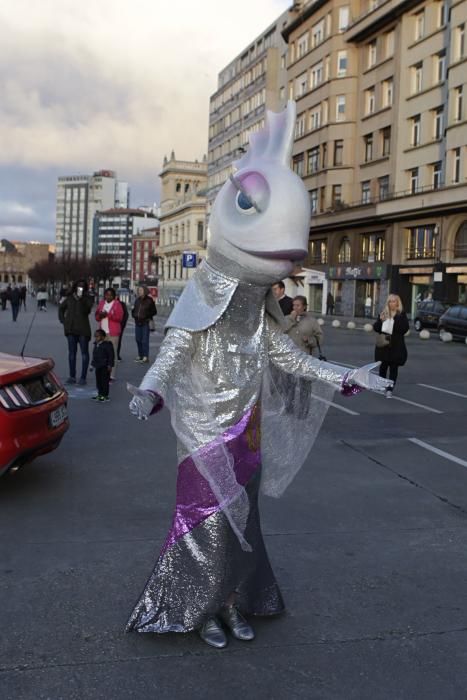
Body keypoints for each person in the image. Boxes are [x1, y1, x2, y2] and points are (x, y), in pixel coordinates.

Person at [125, 102, 392, 650]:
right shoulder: (200, 302)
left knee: (244, 526)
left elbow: (293, 359)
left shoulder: (254, 317)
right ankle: (199, 612)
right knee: (206, 526)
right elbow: (172, 352)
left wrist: (350, 377)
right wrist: (150, 389)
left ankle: (230, 604)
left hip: (246, 433)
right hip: (201, 435)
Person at [373, 293, 409, 398]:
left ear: (398, 303)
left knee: (393, 369)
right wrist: (381, 320)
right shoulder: (384, 313)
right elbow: (376, 328)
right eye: (390, 301)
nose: (391, 303)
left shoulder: (401, 314)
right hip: (384, 346)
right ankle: (382, 386)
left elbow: (404, 329)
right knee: (383, 368)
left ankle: (389, 389)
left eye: (394, 301)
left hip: (396, 346)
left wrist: (394, 320)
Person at [58, 279, 93, 385]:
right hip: (71, 329)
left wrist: (81, 299)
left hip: (83, 329)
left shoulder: (87, 298)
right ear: (75, 287)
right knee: (72, 353)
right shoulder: (69, 298)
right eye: (78, 286)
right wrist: (63, 321)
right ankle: (72, 376)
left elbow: (87, 310)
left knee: (84, 353)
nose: (80, 288)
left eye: (82, 287)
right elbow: (61, 308)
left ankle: (83, 377)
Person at [95, 288, 124, 380]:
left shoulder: (117, 304)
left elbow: (119, 317)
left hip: (113, 333)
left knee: (112, 354)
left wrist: (108, 315)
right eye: (107, 294)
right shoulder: (102, 303)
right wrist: (100, 315)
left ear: (114, 296)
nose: (108, 296)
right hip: (102, 333)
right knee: (102, 354)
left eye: (110, 295)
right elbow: (96, 316)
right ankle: (103, 372)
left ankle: (111, 375)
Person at [131, 286, 157, 363]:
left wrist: (147, 315)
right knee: (138, 339)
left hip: (145, 322)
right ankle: (140, 355)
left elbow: (154, 311)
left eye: (141, 290)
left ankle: (145, 356)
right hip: (137, 322)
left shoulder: (149, 300)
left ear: (145, 291)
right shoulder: (137, 300)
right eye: (139, 290)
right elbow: (134, 309)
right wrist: (134, 315)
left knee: (144, 340)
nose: (139, 291)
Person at [91, 329, 114, 402]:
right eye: (95, 336)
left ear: (103, 337)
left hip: (105, 366)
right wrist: (92, 365)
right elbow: (94, 356)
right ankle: (100, 394)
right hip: (98, 366)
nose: (96, 338)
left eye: (98, 336)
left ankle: (105, 395)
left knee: (104, 381)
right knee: (99, 381)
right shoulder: (96, 345)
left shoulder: (107, 345)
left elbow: (111, 355)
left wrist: (110, 365)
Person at [116, 295, 129, 361]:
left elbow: (126, 315)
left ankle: (117, 355)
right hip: (109, 327)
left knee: (118, 341)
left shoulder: (121, 304)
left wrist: (122, 324)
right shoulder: (106, 303)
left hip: (119, 326)